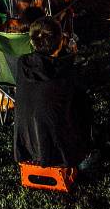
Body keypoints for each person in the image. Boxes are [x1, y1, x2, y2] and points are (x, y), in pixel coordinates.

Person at [14, 16, 96, 169]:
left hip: (26, 145)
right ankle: (84, 153)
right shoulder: (67, 70)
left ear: (32, 42)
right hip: (58, 153)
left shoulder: (22, 63)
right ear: (60, 41)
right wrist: (72, 56)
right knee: (82, 103)